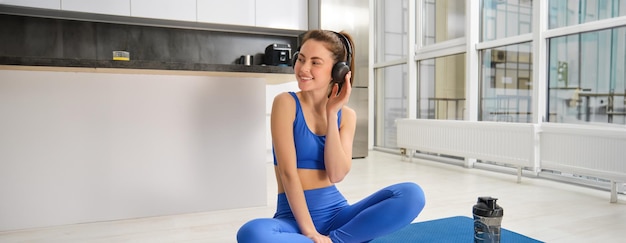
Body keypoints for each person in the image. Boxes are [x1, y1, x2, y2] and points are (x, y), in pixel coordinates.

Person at [237, 29, 425, 243]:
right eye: (301, 59)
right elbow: (288, 174)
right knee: (252, 233)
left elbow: (336, 174)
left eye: (315, 62)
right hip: (293, 220)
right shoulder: (286, 103)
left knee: (411, 194)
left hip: (338, 217)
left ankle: (338, 240)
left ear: (337, 71)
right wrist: (310, 232)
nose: (304, 68)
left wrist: (331, 113)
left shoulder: (346, 116)